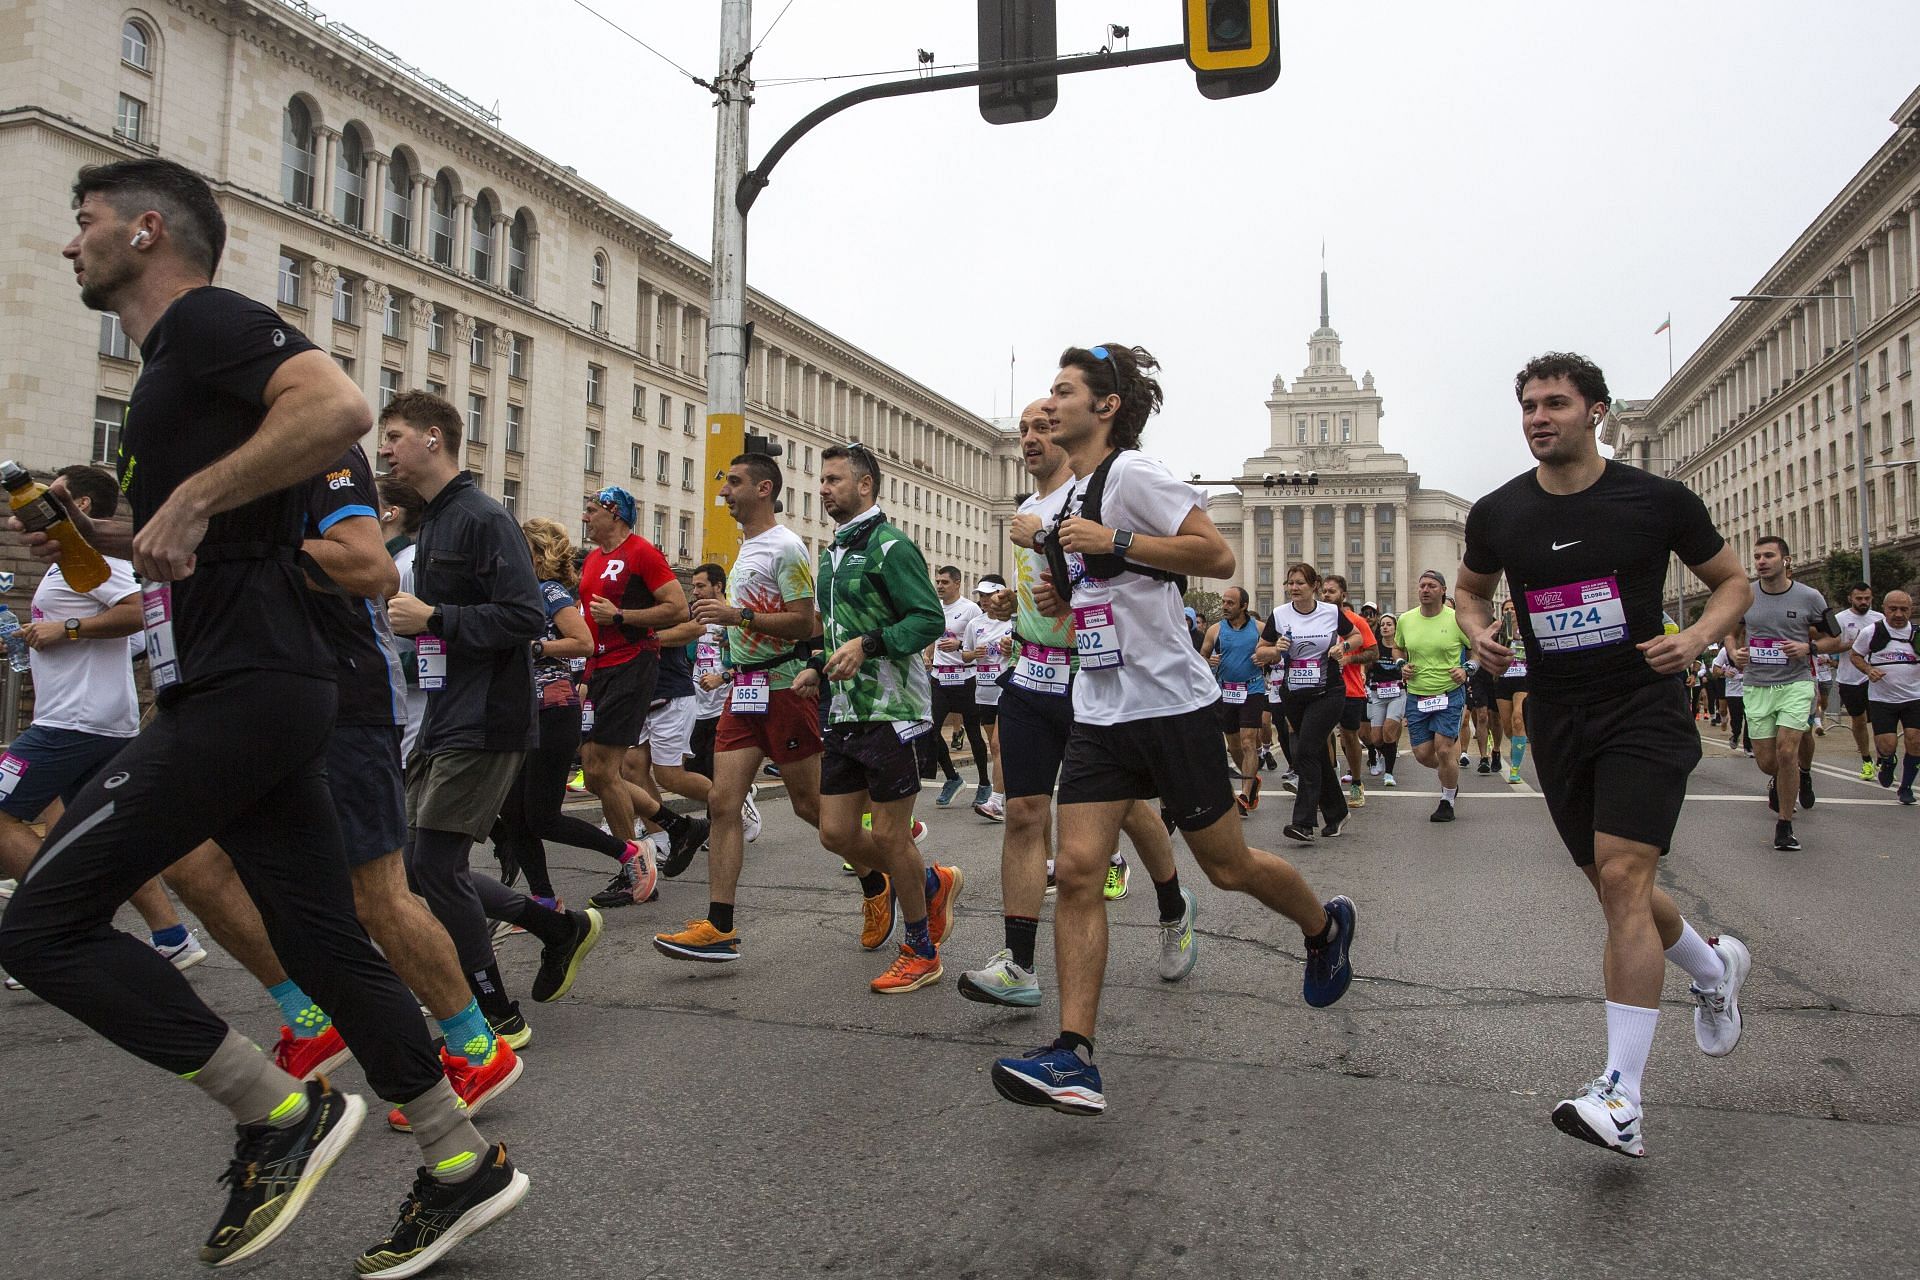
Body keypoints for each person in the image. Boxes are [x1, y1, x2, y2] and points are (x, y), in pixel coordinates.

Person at [1, 157, 522, 1274]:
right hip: (256, 684)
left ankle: (276, 1112)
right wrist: (109, 538)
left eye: (82, 223)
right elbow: (177, 548)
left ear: (146, 232)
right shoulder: (168, 376)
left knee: (39, 923)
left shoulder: (206, 321)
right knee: (324, 937)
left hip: (252, 687)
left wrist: (191, 500)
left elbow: (336, 405)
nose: (68, 243)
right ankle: (458, 1158)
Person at [990, 343, 1353, 1116]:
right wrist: (1060, 589)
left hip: (1171, 707)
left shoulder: (1134, 476)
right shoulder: (1069, 498)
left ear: (1106, 406)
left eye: (1062, 391)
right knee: (1081, 871)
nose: (1047, 405)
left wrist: (1115, 543)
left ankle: (1324, 927)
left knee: (1227, 866)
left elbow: (1216, 556)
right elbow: (1086, 589)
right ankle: (1074, 1055)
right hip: (1100, 710)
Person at [162, 443, 557, 1135]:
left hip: (351, 704)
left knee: (391, 887)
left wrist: (435, 620)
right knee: (197, 863)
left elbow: (373, 570)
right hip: (244, 698)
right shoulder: (197, 460)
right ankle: (307, 1014)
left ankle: (475, 1040)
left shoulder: (323, 456)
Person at [1457, 350, 1752, 1160]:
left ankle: (1620, 1097)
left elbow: (1732, 583)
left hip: (1642, 706)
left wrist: (1694, 638)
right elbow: (1471, 587)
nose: (1537, 418)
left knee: (1625, 875)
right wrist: (1476, 628)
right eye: (1527, 407)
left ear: (1595, 412)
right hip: (1556, 713)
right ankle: (1714, 965)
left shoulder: (1656, 500)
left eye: (1554, 403)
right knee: (1611, 880)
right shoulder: (1499, 512)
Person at [380, 391, 606, 1044]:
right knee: (423, 868)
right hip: (445, 713)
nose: (386, 448)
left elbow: (521, 617)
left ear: (431, 438)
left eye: (394, 435)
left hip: (489, 717)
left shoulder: (481, 517)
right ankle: (557, 928)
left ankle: (493, 1013)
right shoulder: (435, 525)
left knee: (437, 868)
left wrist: (433, 619)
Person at [960, 400, 1199, 1009]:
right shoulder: (1021, 512)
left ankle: (1173, 906)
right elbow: (1052, 591)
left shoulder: (1088, 503)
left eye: (1043, 427)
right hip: (1029, 677)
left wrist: (1050, 560)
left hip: (1091, 679)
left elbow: (1104, 579)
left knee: (1127, 812)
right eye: (1024, 431)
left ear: (1068, 431)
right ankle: (1018, 963)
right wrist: (1014, 604)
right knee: (1022, 814)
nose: (1032, 439)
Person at [0, 463, 208, 981]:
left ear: (82, 507)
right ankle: (172, 937)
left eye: (46, 499)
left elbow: (140, 610)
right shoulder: (62, 559)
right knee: (97, 835)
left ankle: (55, 922)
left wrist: (68, 630)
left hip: (75, 722)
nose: (26, 510)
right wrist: (48, 633)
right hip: (90, 720)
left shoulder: (86, 552)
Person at [798, 443, 963, 992]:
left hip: (894, 709)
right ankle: (931, 884)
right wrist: (819, 668)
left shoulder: (891, 547)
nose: (823, 489)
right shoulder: (832, 555)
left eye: (833, 480)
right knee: (835, 832)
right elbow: (837, 633)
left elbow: (927, 621)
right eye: (821, 480)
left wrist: (869, 645)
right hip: (845, 709)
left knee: (892, 836)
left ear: (865, 486)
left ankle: (920, 947)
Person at [657, 453, 828, 961]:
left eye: (733, 482)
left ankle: (890, 876)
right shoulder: (747, 548)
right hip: (744, 692)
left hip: (782, 690)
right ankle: (720, 926)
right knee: (722, 802)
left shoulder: (787, 547)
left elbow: (805, 623)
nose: (724, 491)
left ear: (763, 489)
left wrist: (737, 614)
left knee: (812, 807)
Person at [490, 517, 641, 906]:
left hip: (553, 711)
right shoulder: (515, 591)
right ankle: (544, 901)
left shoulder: (549, 591)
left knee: (542, 817)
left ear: (535, 552)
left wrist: (536, 648)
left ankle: (629, 855)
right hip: (518, 713)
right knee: (514, 815)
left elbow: (584, 641)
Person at [572, 487, 706, 903]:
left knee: (606, 769)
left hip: (633, 664)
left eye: (591, 510)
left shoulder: (642, 552)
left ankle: (636, 869)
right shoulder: (593, 559)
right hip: (601, 669)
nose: (585, 518)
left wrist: (622, 615)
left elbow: (677, 609)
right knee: (596, 773)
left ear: (614, 513)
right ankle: (676, 827)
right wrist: (587, 674)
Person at [1724, 536, 1845, 851]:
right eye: (1757, 556)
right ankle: (1788, 778)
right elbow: (1730, 632)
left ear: (1786, 560)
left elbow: (1838, 639)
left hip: (1796, 681)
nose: (1761, 561)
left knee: (1787, 752)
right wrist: (1734, 652)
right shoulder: (1745, 595)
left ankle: (1785, 826)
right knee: (1768, 762)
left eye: (1768, 555)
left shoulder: (1810, 597)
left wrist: (1809, 647)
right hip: (1757, 685)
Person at [1257, 563, 1357, 842]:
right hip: (1295, 695)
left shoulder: (1331, 612)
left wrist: (1343, 647)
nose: (1294, 587)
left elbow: (1356, 636)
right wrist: (1274, 650)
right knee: (1314, 754)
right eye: (1290, 583)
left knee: (1305, 750)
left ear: (1314, 585)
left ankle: (1303, 822)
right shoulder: (1279, 614)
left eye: (1300, 582)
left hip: (1329, 691)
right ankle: (1337, 812)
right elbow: (1260, 652)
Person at [1395, 570, 1472, 822]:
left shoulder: (1457, 619)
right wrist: (1400, 664)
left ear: (1443, 590)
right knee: (1423, 753)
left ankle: (1447, 800)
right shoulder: (1406, 620)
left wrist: (1467, 669)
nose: (1425, 590)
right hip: (1417, 694)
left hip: (1449, 692)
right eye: (1422, 586)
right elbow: (1398, 646)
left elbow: (1477, 649)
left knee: (1444, 749)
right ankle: (1451, 774)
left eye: (1431, 586)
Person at [919, 564, 990, 807]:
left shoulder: (970, 610)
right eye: (938, 581)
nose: (939, 585)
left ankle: (984, 783)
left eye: (945, 582)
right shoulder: (934, 607)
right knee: (929, 730)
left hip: (965, 677)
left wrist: (958, 644)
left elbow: (978, 643)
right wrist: (928, 654)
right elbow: (932, 635)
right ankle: (952, 777)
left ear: (957, 583)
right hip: (940, 678)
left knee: (973, 732)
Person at [1200, 585, 1268, 815]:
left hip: (1253, 690)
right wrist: (1209, 662)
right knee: (1234, 745)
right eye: (1224, 602)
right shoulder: (1215, 630)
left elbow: (1276, 654)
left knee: (1249, 741)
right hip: (1226, 692)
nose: (1225, 607)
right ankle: (1252, 779)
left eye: (1230, 603)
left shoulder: (1259, 628)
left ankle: (1245, 794)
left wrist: (1265, 658)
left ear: (1244, 606)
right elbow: (1202, 656)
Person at [1849, 589, 1920, 804]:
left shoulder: (1917, 634)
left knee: (1915, 740)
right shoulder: (1872, 632)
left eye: (1904, 609)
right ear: (1884, 609)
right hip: (1882, 699)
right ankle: (1888, 761)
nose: (1898, 614)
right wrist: (1868, 670)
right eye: (1893, 609)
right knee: (1887, 744)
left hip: (1914, 696)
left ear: (1911, 610)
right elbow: (1855, 656)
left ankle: (1906, 787)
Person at [377, 477, 428, 759]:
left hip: (413, 724)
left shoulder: (409, 565)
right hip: (390, 719)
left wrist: (378, 665)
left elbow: (437, 653)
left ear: (390, 513)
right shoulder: (385, 565)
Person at [1318, 574, 1378, 806]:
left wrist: (1348, 659)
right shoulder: (1317, 621)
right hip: (1321, 688)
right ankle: (1329, 780)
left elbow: (1373, 652)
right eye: (1324, 591)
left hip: (1350, 689)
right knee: (1321, 735)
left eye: (1331, 591)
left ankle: (1356, 782)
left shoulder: (1356, 622)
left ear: (1343, 595)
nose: (1326, 595)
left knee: (1350, 735)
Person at [965, 577, 1015, 821]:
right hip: (984, 691)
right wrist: (974, 654)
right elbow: (966, 654)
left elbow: (1027, 649)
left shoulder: (1014, 621)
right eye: (981, 596)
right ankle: (1009, 790)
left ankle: (996, 802)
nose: (984, 600)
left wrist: (1011, 649)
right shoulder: (975, 624)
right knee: (997, 750)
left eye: (988, 595)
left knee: (999, 746)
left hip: (1007, 690)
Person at [1831, 582, 1884, 778]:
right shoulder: (1841, 619)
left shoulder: (1879, 618)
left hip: (1875, 677)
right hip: (1850, 678)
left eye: (1867, 599)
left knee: (1881, 720)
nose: (1863, 602)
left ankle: (1883, 761)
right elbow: (1831, 647)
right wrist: (1855, 644)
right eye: (1859, 599)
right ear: (1850, 599)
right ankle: (1866, 760)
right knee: (1859, 720)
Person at [1364, 613, 1406, 788]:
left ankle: (1389, 773)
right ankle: (1384, 754)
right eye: (1382, 625)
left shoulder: (1402, 648)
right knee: (1376, 739)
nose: (1385, 627)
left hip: (1397, 693)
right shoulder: (1375, 648)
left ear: (1396, 628)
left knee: (1389, 732)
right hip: (1377, 694)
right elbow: (1366, 669)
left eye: (1389, 624)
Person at [1494, 597, 1531, 784]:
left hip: (1523, 680)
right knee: (1509, 727)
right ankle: (1517, 743)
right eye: (1507, 609)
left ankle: (1515, 769)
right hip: (1503, 680)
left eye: (1513, 608)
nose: (1511, 611)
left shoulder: (1529, 629)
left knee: (1518, 719)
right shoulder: (1498, 630)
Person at [1712, 644, 1751, 754]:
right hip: (1733, 691)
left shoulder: (1753, 647)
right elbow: (1715, 670)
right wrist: (1724, 672)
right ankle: (1735, 735)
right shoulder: (1725, 651)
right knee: (1736, 720)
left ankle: (1748, 746)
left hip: (1750, 690)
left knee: (1750, 718)